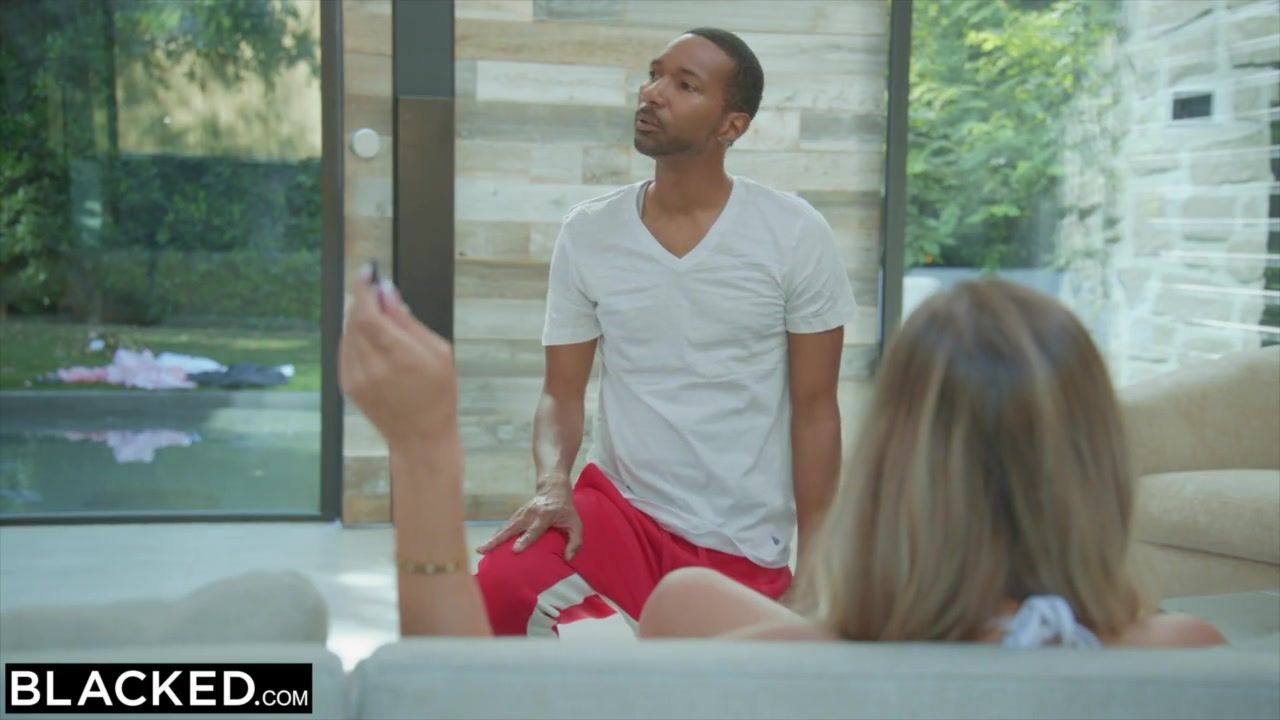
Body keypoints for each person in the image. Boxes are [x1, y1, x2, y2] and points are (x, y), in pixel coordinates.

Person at [340, 274, 1224, 647]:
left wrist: (423, 448)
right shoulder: (1188, 654)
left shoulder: (706, 619)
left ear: (888, 470)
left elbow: (444, 693)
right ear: (1100, 475)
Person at [467, 27, 857, 636]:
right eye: (654, 75)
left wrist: (819, 564)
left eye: (685, 85)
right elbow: (560, 393)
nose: (652, 93)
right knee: (499, 587)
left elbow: (816, 411)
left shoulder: (794, 234)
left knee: (714, 677)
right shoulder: (589, 233)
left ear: (732, 126)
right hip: (619, 511)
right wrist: (553, 484)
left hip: (741, 540)